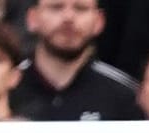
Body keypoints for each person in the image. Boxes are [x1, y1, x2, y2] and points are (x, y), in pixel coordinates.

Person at [13, 0, 141, 121]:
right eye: (56, 7)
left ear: (99, 21)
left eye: (81, 8)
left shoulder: (127, 96)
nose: (68, 17)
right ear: (32, 19)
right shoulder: (5, 87)